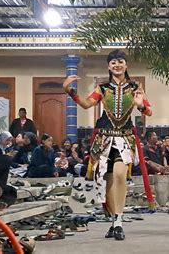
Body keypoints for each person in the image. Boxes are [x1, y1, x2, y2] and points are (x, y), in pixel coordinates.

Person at [62, 49, 152, 241]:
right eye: (113, 62)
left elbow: (149, 110)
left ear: (126, 65)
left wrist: (141, 105)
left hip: (125, 138)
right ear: (108, 66)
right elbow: (87, 104)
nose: (117, 65)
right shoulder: (102, 88)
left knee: (120, 174)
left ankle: (118, 221)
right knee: (107, 181)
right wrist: (70, 91)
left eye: (120, 61)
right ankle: (114, 220)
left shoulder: (136, 86)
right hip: (104, 139)